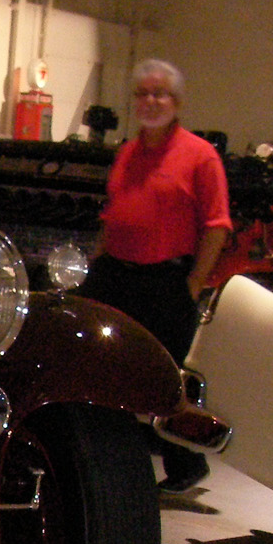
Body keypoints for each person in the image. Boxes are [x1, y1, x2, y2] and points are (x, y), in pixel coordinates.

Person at [79, 58, 232, 493]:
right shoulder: (128, 152)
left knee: (166, 377)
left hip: (166, 282)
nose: (150, 101)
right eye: (142, 94)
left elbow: (217, 226)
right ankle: (108, 453)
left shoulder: (200, 157)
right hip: (115, 275)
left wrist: (194, 283)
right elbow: (115, 215)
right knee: (100, 363)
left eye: (159, 94)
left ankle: (185, 463)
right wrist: (97, 262)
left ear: (176, 102)